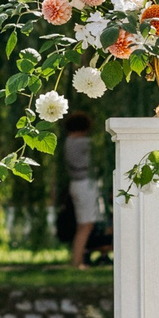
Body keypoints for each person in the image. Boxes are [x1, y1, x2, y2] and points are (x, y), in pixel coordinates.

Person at [62, 111, 100, 268]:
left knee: (82, 225)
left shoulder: (68, 142)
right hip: (85, 184)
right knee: (86, 225)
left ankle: (76, 260)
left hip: (76, 184)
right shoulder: (83, 143)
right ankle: (77, 262)